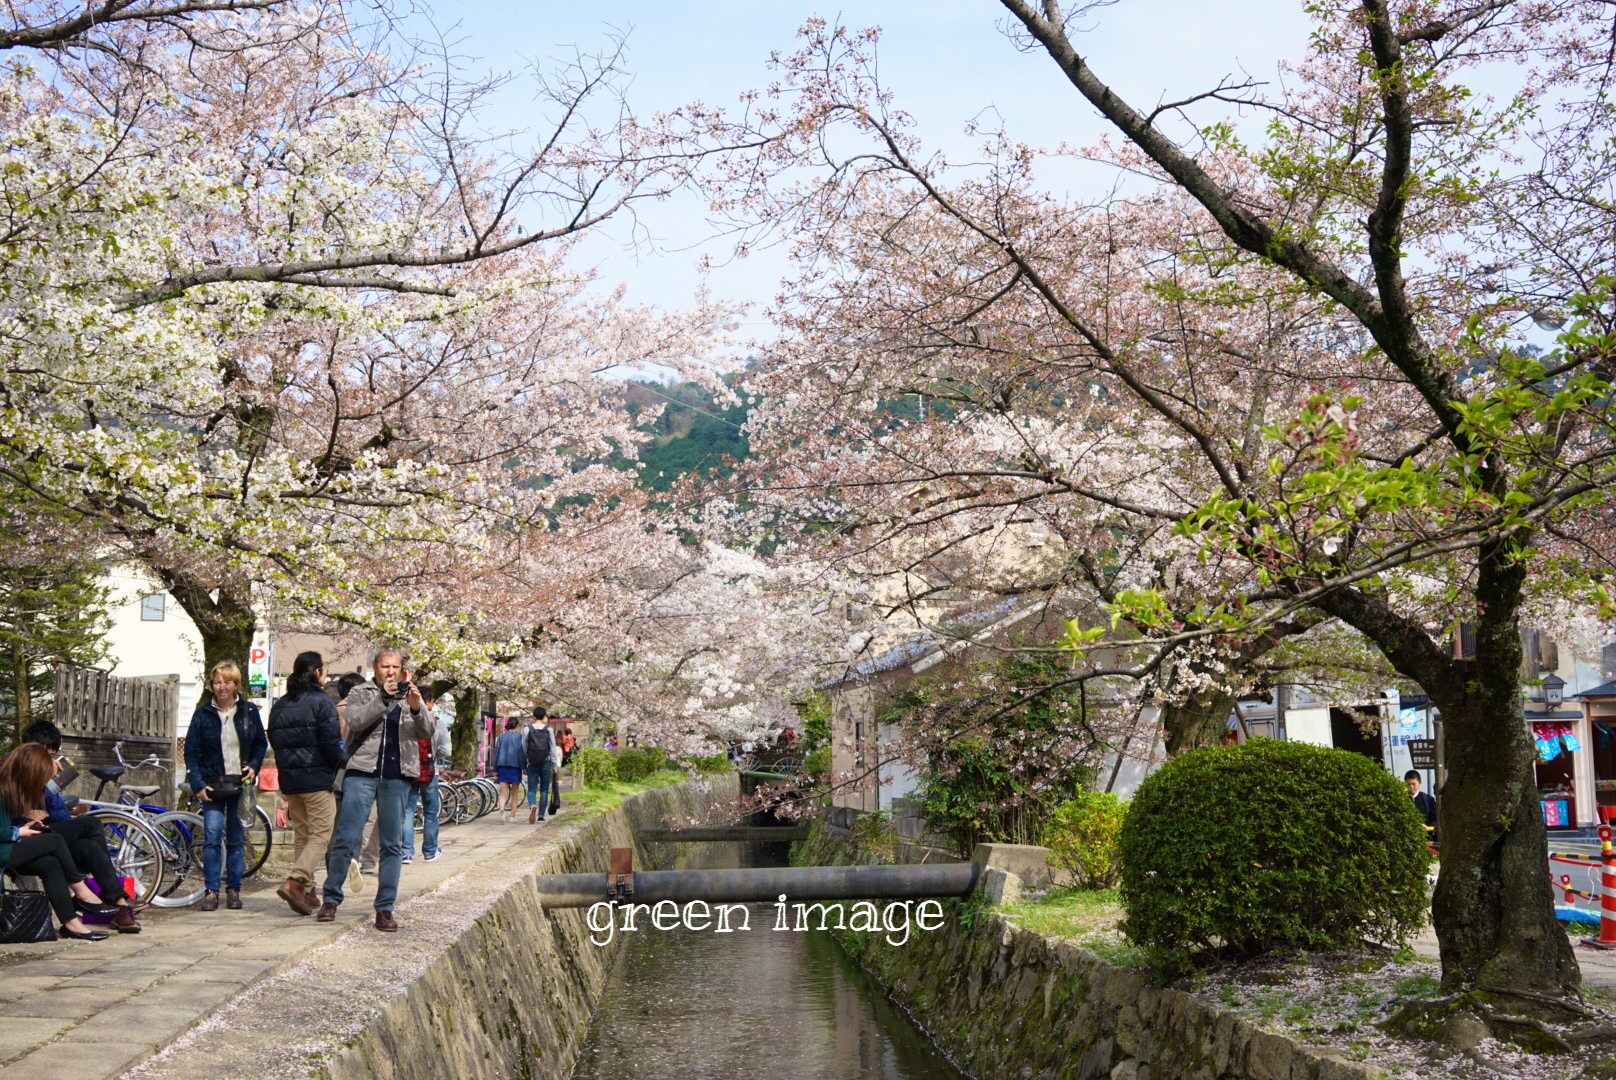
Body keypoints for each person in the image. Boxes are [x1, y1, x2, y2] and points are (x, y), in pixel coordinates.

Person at [317, 648, 439, 932]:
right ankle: (331, 898)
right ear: (376, 667)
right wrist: (383, 698)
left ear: (402, 668)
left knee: (392, 845)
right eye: (385, 666)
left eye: (395, 667)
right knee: (346, 837)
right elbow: (356, 721)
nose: (390, 672)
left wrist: (417, 707)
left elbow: (425, 733)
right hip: (362, 772)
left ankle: (385, 908)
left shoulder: (411, 696)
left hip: (398, 776)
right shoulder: (361, 692)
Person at [17, 721, 141, 932]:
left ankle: (118, 905)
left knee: (89, 847)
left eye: (53, 755)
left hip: (54, 837)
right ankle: (112, 899)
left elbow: (62, 816)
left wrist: (47, 808)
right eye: (46, 755)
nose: (51, 761)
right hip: (29, 840)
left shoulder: (48, 779)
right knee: (91, 823)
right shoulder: (18, 775)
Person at [0, 744, 118, 940]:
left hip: (7, 845)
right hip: (4, 848)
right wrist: (18, 831)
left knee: (50, 863)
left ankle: (72, 923)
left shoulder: (9, 785)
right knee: (54, 841)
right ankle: (83, 894)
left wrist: (25, 827)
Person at [183, 660, 267, 912]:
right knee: (210, 836)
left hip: (239, 784)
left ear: (236, 684)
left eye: (227, 682)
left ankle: (233, 889)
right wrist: (197, 783)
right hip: (211, 785)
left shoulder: (249, 711)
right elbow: (191, 750)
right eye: (217, 682)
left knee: (236, 838)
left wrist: (253, 765)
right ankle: (211, 891)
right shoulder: (203, 713)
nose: (221, 687)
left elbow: (260, 743)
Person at [267, 652, 343, 916]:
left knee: (303, 834)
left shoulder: (279, 705)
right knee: (321, 834)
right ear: (317, 673)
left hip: (290, 780)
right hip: (317, 779)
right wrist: (338, 766)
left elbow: (275, 740)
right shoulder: (322, 702)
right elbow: (331, 743)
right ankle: (295, 881)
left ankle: (309, 892)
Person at [401, 685, 451, 862]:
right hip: (430, 771)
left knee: (408, 811)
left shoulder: (405, 720)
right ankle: (430, 851)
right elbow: (446, 750)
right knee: (430, 812)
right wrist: (434, 756)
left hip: (409, 770)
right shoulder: (437, 722)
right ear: (428, 702)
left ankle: (406, 852)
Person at [523, 706, 556, 825]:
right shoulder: (549, 730)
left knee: (532, 788)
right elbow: (552, 747)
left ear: (534, 716)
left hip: (531, 762)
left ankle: (532, 805)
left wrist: (526, 760)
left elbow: (524, 746)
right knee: (544, 789)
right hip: (545, 762)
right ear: (544, 716)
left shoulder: (528, 729)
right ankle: (541, 816)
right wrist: (555, 765)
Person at [492, 717, 526, 823]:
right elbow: (521, 753)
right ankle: (512, 816)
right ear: (517, 725)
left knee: (503, 793)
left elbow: (496, 754)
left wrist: (495, 769)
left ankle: (502, 809)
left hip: (502, 766)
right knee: (514, 793)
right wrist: (524, 767)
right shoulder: (519, 737)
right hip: (515, 767)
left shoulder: (501, 737)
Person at [1406, 770, 1437, 835]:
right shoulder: (1401, 798)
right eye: (1409, 784)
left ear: (1420, 783)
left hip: (1425, 837)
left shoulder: (1429, 799)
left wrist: (1427, 827)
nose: (1411, 786)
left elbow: (1435, 820)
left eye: (1413, 784)